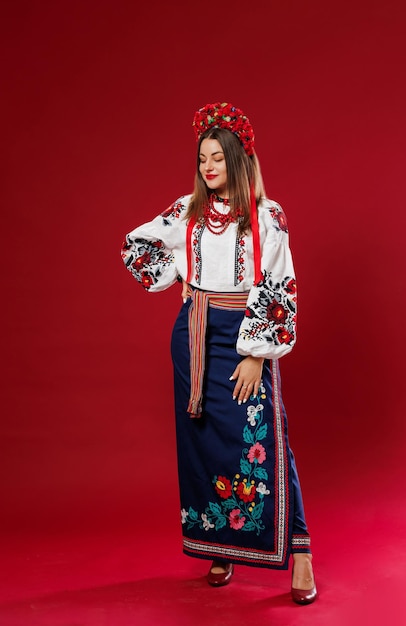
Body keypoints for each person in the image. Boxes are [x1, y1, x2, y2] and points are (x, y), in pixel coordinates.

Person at [121, 102, 317, 604]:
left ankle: (301, 553)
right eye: (202, 158)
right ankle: (220, 544)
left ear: (237, 159)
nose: (208, 167)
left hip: (244, 336)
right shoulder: (185, 212)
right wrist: (183, 280)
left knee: (266, 441)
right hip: (193, 336)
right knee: (204, 441)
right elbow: (138, 247)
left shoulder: (266, 216)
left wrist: (256, 353)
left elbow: (278, 281)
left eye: (217, 158)